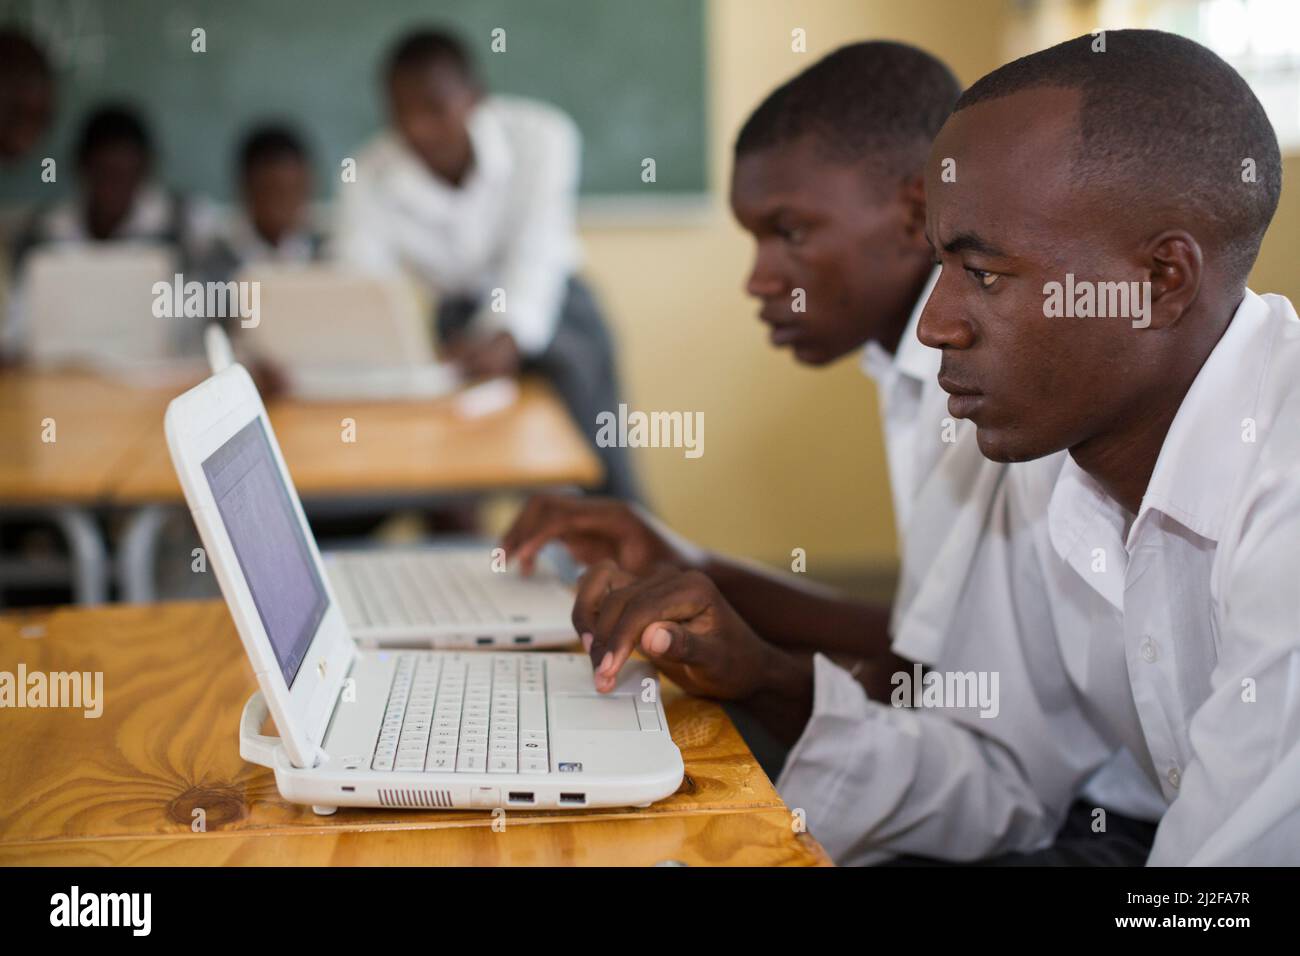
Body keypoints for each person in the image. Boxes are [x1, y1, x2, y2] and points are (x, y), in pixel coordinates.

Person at [564, 30, 1300, 866]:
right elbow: (1003, 778)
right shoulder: (1051, 453)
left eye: (984, 274)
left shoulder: (1284, 497)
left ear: (1158, 282)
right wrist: (760, 677)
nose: (934, 322)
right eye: (944, 264)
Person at [334, 27, 638, 500]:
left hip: (558, 310)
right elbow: (360, 284)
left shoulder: (542, 136)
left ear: (475, 98)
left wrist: (506, 333)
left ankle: (637, 561)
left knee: (600, 465)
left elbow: (536, 250)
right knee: (451, 474)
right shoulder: (367, 173)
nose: (417, 128)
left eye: (434, 109)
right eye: (401, 113)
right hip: (455, 324)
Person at [206, 123, 325, 275]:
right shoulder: (216, 264)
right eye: (273, 192)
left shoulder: (328, 257)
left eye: (294, 190)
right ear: (246, 188)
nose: (284, 206)